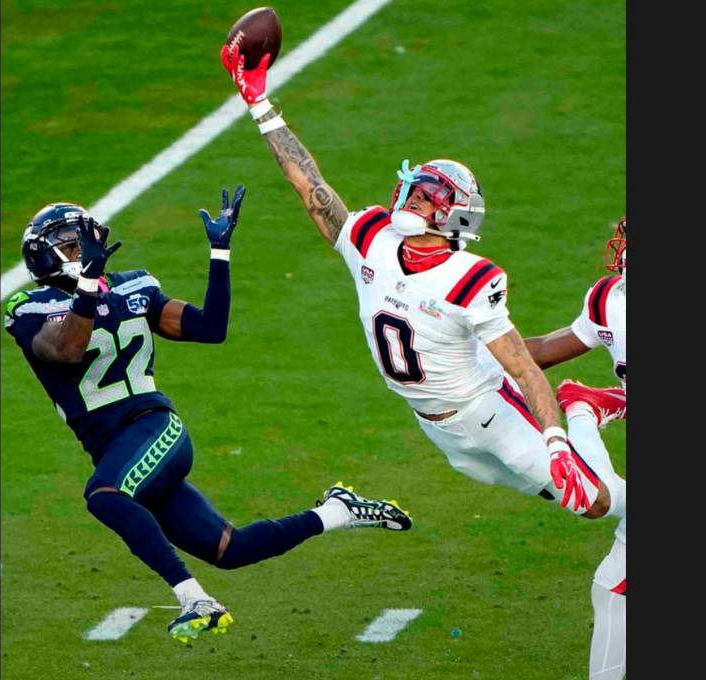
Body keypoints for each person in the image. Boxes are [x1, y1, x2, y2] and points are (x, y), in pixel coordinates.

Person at [219, 47, 627, 524]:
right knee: (548, 492)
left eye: (430, 197)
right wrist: (260, 106)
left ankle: (580, 407)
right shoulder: (371, 239)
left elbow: (520, 365)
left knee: (595, 503)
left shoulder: (472, 276)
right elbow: (311, 186)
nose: (416, 200)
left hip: (487, 411)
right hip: (437, 427)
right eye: (415, 191)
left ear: (456, 216)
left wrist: (555, 437)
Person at [3, 187, 412, 645]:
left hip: (153, 426)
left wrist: (220, 253)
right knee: (230, 549)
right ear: (42, 255)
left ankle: (196, 600)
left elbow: (208, 327)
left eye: (83, 240)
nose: (83, 250)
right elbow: (66, 348)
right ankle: (337, 511)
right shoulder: (28, 308)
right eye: (70, 243)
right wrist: (86, 287)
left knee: (104, 495)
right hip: (118, 448)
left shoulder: (133, 286)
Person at [525, 217, 627, 679]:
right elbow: (546, 349)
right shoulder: (609, 300)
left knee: (606, 505)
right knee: (613, 587)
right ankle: (584, 405)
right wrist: (476, 347)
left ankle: (582, 406)